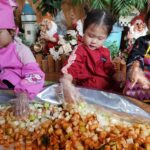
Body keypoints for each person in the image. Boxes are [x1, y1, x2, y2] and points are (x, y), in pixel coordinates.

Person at [60, 9, 121, 102]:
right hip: (86, 94)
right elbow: (72, 67)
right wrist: (66, 80)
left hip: (107, 93)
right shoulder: (80, 50)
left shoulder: (106, 51)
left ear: (106, 37)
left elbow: (110, 70)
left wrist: (118, 75)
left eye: (100, 38)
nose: (94, 41)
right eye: (90, 36)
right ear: (84, 30)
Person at [0, 2, 45, 115]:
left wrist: (23, 92)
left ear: (11, 31)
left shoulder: (21, 51)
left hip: (22, 99)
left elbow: (35, 75)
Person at [123, 10, 150, 100]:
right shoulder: (142, 41)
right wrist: (136, 67)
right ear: (147, 22)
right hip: (139, 94)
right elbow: (136, 56)